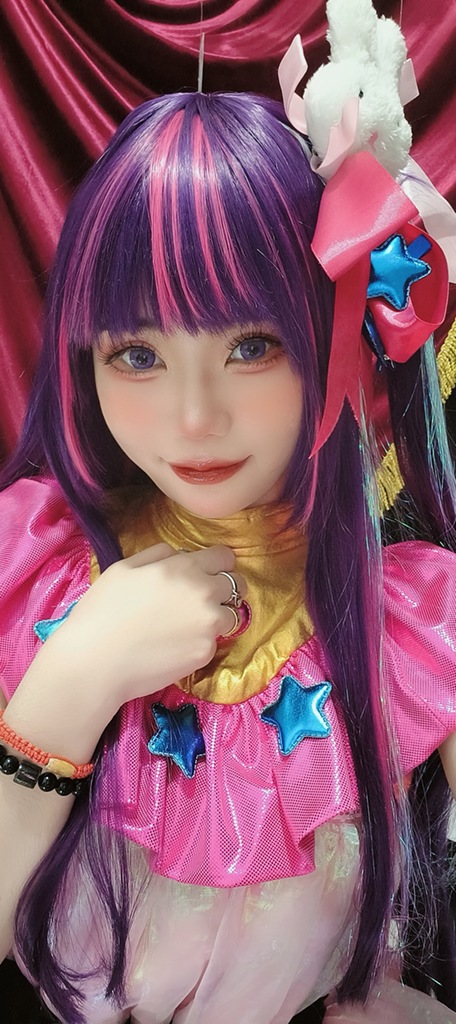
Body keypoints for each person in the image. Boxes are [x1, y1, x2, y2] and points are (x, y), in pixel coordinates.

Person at [0, 89, 456, 1024]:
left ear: (334, 335)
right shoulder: (28, 561)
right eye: (136, 354)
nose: (194, 418)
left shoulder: (415, 623)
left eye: (252, 346)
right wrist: (70, 687)